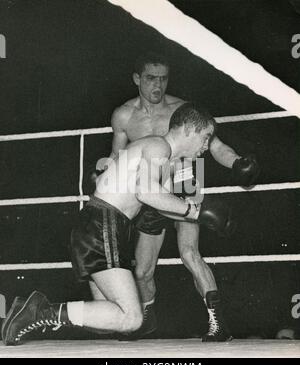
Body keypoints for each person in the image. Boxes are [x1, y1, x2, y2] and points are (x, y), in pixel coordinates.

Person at [2, 103, 234, 346]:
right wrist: (196, 210)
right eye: (205, 137)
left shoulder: (160, 159)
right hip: (104, 225)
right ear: (187, 129)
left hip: (97, 226)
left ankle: (38, 313)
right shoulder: (158, 146)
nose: (207, 146)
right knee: (131, 318)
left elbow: (160, 203)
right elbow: (146, 193)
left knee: (108, 317)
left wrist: (201, 217)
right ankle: (40, 312)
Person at [94, 52, 260, 342]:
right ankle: (145, 320)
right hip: (150, 189)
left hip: (184, 179)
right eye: (150, 78)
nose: (158, 85)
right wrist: (104, 175)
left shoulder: (182, 110)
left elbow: (214, 144)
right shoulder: (123, 116)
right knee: (143, 270)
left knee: (189, 252)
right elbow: (117, 155)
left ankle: (218, 323)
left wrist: (236, 162)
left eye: (163, 78)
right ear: (137, 79)